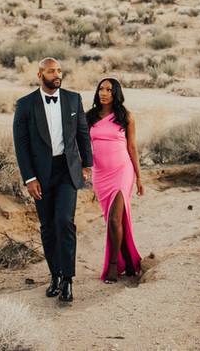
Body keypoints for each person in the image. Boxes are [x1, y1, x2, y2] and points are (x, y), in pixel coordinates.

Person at [13, 57, 92, 303]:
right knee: (48, 225)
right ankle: (55, 275)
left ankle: (68, 279)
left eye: (59, 70)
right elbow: (21, 144)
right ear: (40, 75)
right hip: (41, 175)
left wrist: (87, 163)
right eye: (51, 71)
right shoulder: (25, 104)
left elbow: (82, 132)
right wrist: (29, 178)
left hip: (68, 169)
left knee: (65, 222)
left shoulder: (73, 98)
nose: (57, 75)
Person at [86, 78, 143, 283]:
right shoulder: (89, 117)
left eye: (109, 89)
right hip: (100, 175)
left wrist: (138, 177)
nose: (104, 93)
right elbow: (83, 146)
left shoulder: (125, 117)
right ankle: (127, 259)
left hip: (122, 171)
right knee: (114, 222)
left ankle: (112, 266)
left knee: (114, 220)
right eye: (101, 88)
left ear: (115, 93)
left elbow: (133, 147)